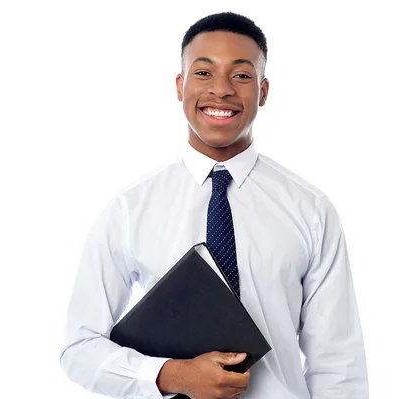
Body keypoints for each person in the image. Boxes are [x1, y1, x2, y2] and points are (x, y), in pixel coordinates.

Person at [60, 11, 369, 399]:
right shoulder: (129, 210)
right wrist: (171, 375)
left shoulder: (310, 210)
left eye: (241, 75)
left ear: (264, 90)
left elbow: (338, 365)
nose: (221, 89)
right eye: (204, 73)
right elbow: (79, 349)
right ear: (180, 85)